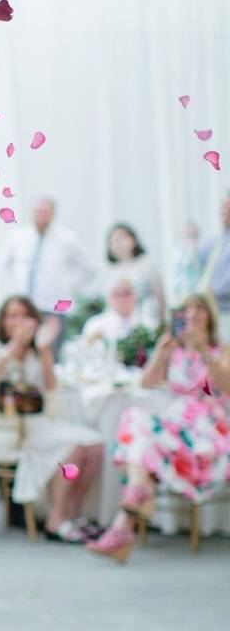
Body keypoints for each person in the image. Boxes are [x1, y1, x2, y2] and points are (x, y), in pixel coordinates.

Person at [88, 294, 230, 563]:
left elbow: (228, 387)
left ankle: (124, 522)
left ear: (209, 315)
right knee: (135, 420)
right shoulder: (174, 351)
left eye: (198, 309)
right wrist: (161, 353)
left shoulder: (222, 350)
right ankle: (132, 508)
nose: (192, 315)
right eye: (186, 310)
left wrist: (202, 352)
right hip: (177, 423)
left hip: (207, 430)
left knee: (140, 434)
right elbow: (146, 383)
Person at [0, 296, 104, 542]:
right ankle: (56, 520)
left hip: (34, 422)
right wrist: (12, 348)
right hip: (2, 425)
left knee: (94, 446)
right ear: (2, 320)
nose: (17, 321)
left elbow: (51, 388)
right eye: (11, 315)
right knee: (71, 448)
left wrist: (43, 350)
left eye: (23, 315)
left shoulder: (35, 350)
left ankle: (73, 514)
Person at [0, 198, 97, 349]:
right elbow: (2, 266)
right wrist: (12, 290)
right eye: (37, 212)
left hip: (52, 309)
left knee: (50, 352)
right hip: (24, 309)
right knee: (21, 351)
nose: (40, 216)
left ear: (53, 214)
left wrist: (70, 287)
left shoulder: (67, 239)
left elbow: (90, 268)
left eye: (45, 212)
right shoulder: (18, 237)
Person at [104, 223, 166, 328]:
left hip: (148, 321)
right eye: (113, 241)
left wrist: (163, 322)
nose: (118, 244)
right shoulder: (111, 271)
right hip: (119, 326)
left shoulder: (146, 264)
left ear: (133, 240)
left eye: (121, 239)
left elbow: (160, 296)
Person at [199, 191, 230, 342]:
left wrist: (212, 292)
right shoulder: (213, 242)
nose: (225, 210)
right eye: (223, 206)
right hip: (210, 312)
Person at [83, 277, 150, 343]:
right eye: (116, 294)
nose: (122, 299)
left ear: (135, 296)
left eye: (126, 293)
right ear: (108, 299)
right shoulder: (94, 325)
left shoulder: (148, 324)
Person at [171, 220, 204, 306]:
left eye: (194, 235)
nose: (191, 238)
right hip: (182, 296)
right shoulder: (178, 254)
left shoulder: (200, 253)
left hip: (198, 296)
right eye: (188, 235)